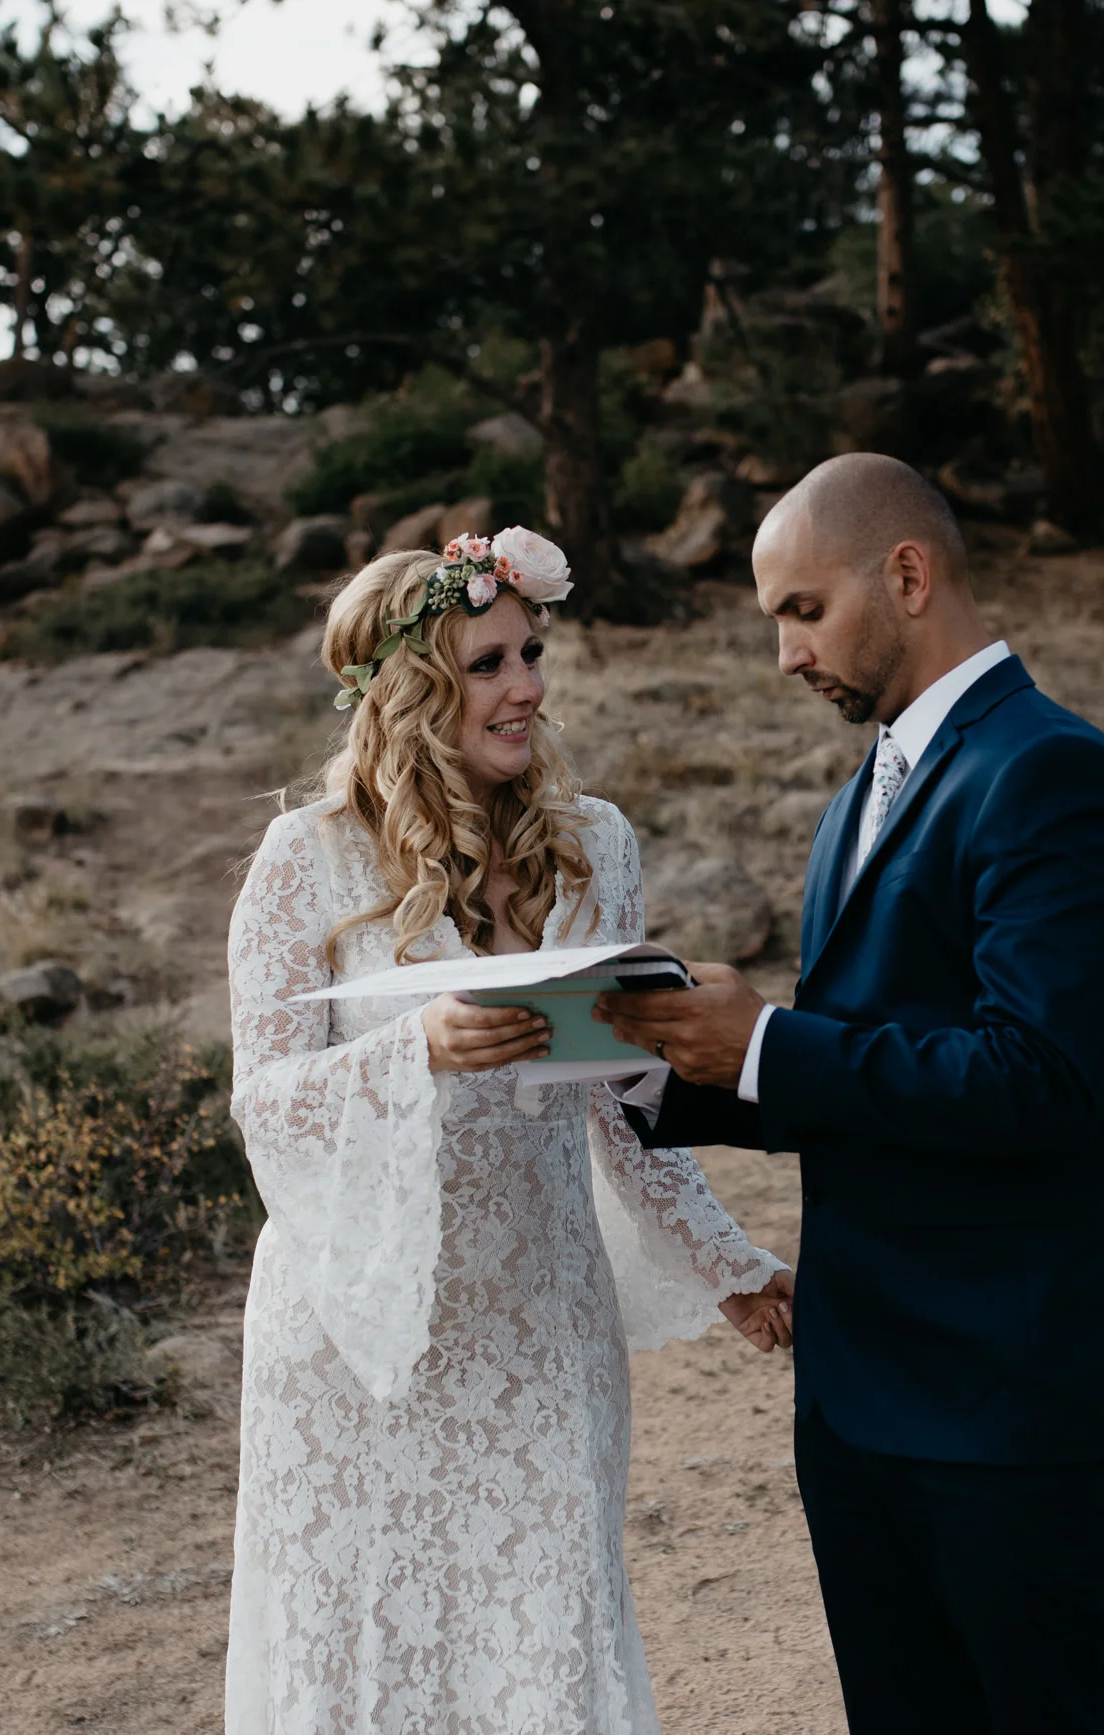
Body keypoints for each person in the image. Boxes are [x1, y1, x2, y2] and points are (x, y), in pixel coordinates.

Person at [596, 454, 1104, 1734]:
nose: (785, 656)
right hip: (861, 1404)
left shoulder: (1051, 773)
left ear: (907, 574)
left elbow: (1045, 1081)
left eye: (802, 612)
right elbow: (863, 1072)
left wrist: (767, 1043)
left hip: (1008, 1412)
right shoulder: (863, 793)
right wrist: (633, 1059)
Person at [222, 529, 796, 1734]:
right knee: (371, 1642)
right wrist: (408, 1053)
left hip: (540, 1314)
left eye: (531, 652)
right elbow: (263, 1100)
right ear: (409, 691)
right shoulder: (302, 862)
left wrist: (725, 1265)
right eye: (488, 663)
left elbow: (626, 1100)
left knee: (545, 1623)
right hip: (360, 1336)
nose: (528, 684)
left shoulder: (595, 845)